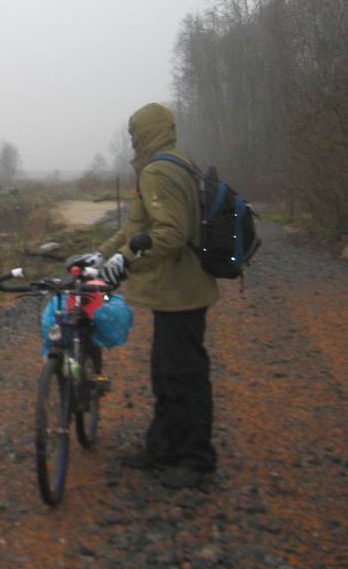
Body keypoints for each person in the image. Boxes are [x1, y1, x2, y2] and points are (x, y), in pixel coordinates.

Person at [97, 103, 219, 489]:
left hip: (181, 290)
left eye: (134, 133)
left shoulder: (158, 172)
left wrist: (126, 260)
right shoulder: (178, 163)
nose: (132, 140)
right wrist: (102, 255)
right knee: (167, 373)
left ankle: (196, 460)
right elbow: (137, 227)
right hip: (179, 290)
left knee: (183, 377)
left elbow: (170, 233)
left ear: (144, 133)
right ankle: (162, 448)